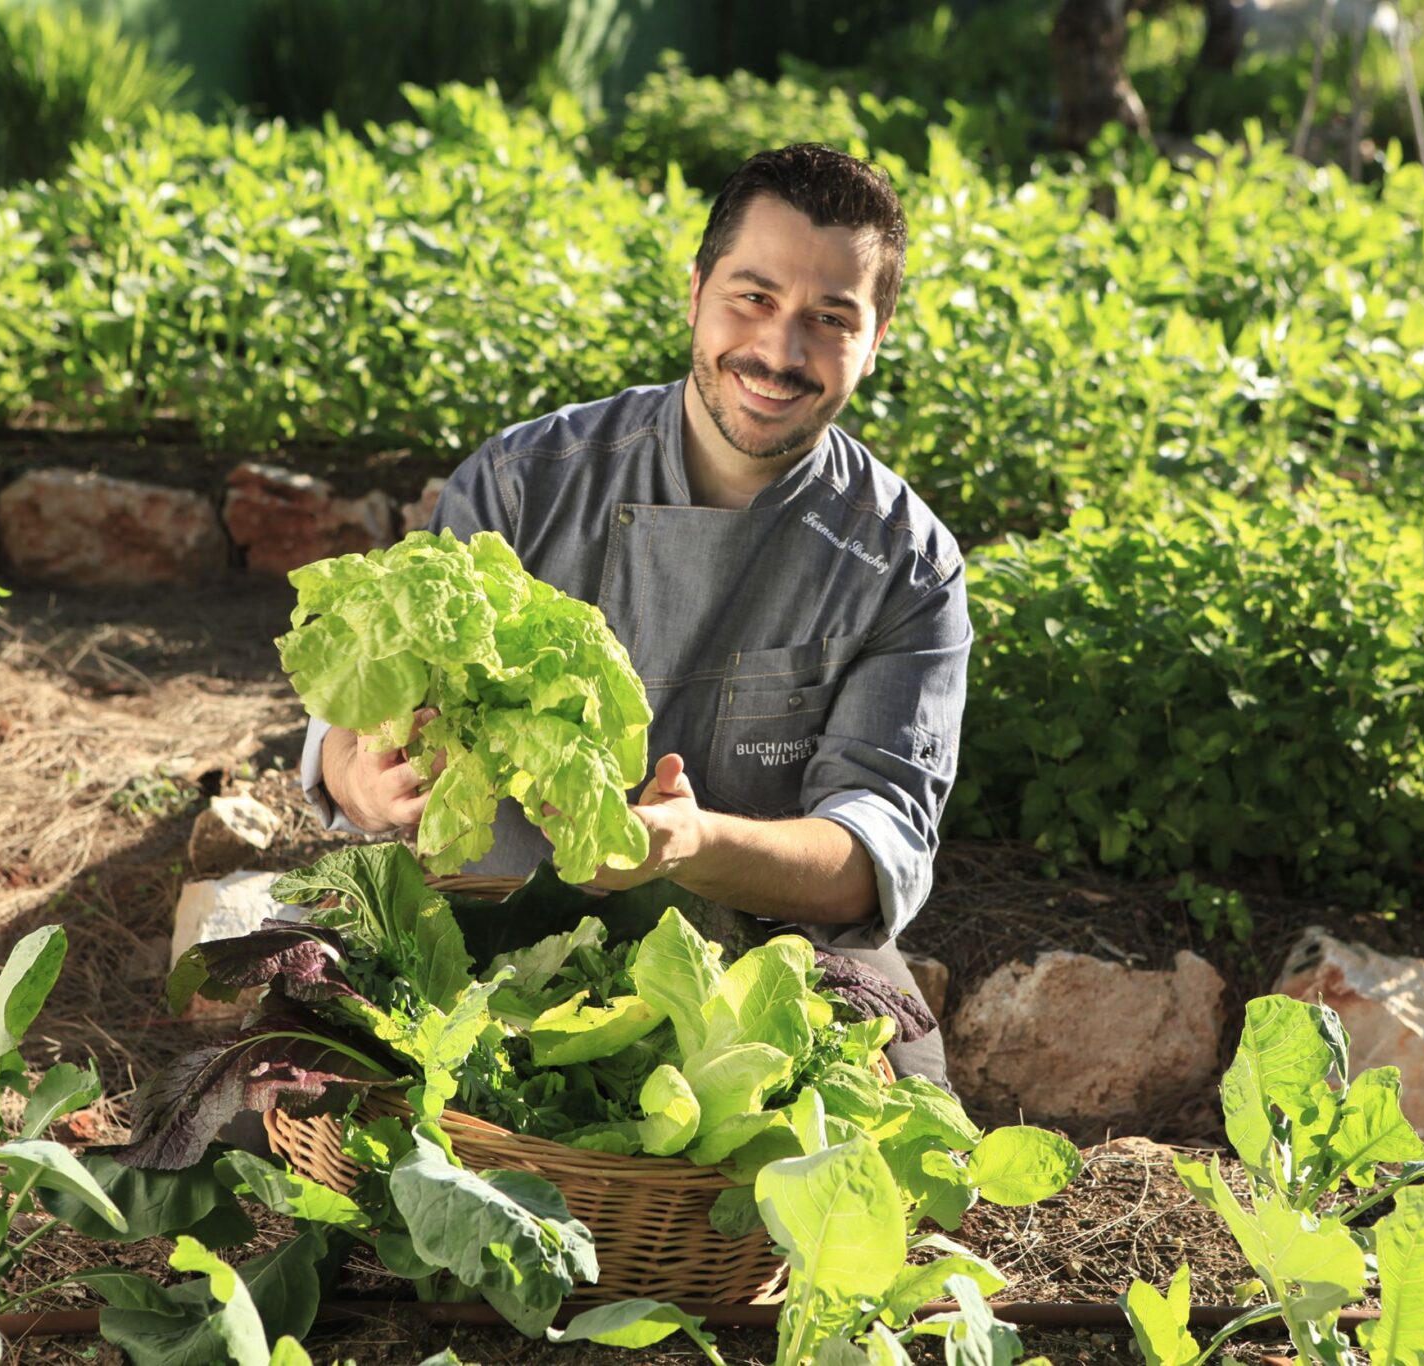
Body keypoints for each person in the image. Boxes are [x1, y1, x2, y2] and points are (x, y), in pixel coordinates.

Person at [301, 143, 968, 1085]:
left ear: (878, 332)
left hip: (758, 955)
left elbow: (871, 854)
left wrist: (689, 844)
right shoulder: (523, 484)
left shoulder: (905, 561)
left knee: (898, 1116)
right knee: (292, 1060)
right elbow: (371, 699)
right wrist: (357, 771)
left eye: (829, 317)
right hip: (481, 923)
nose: (779, 352)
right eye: (753, 297)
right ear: (696, 291)